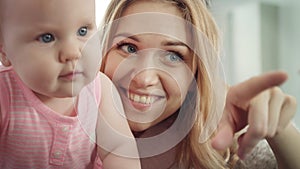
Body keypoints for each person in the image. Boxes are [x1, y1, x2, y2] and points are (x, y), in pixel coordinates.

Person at [99, 0, 300, 169]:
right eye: (129, 48)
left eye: (172, 56)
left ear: (195, 76)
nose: (144, 78)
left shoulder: (229, 147)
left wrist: (280, 132)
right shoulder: (70, 135)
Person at [0, 0, 141, 168]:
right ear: (4, 51)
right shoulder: (4, 94)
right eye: (47, 38)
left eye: (82, 31)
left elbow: (119, 148)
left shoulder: (100, 90)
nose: (73, 52)